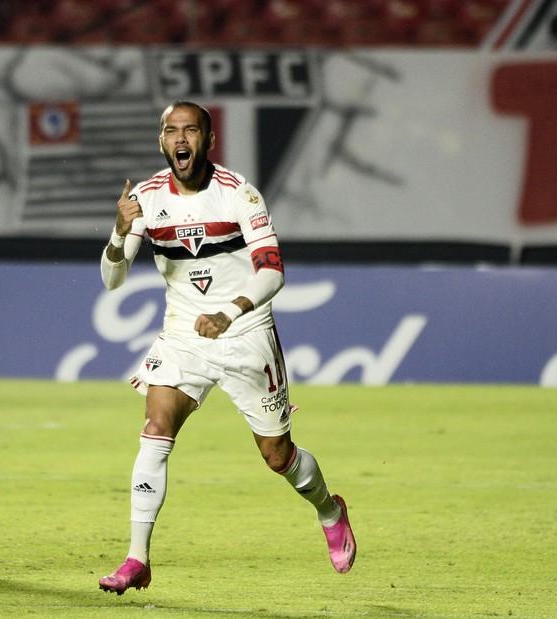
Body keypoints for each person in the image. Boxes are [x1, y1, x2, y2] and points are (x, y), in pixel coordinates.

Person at [97, 101, 356, 594]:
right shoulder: (147, 198)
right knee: (155, 427)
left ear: (208, 140)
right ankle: (137, 558)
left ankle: (329, 508)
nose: (180, 139)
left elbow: (273, 271)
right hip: (183, 333)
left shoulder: (240, 194)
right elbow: (113, 279)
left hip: (245, 330)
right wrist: (118, 229)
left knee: (277, 455)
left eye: (190, 130)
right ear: (161, 141)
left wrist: (229, 312)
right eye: (171, 130)